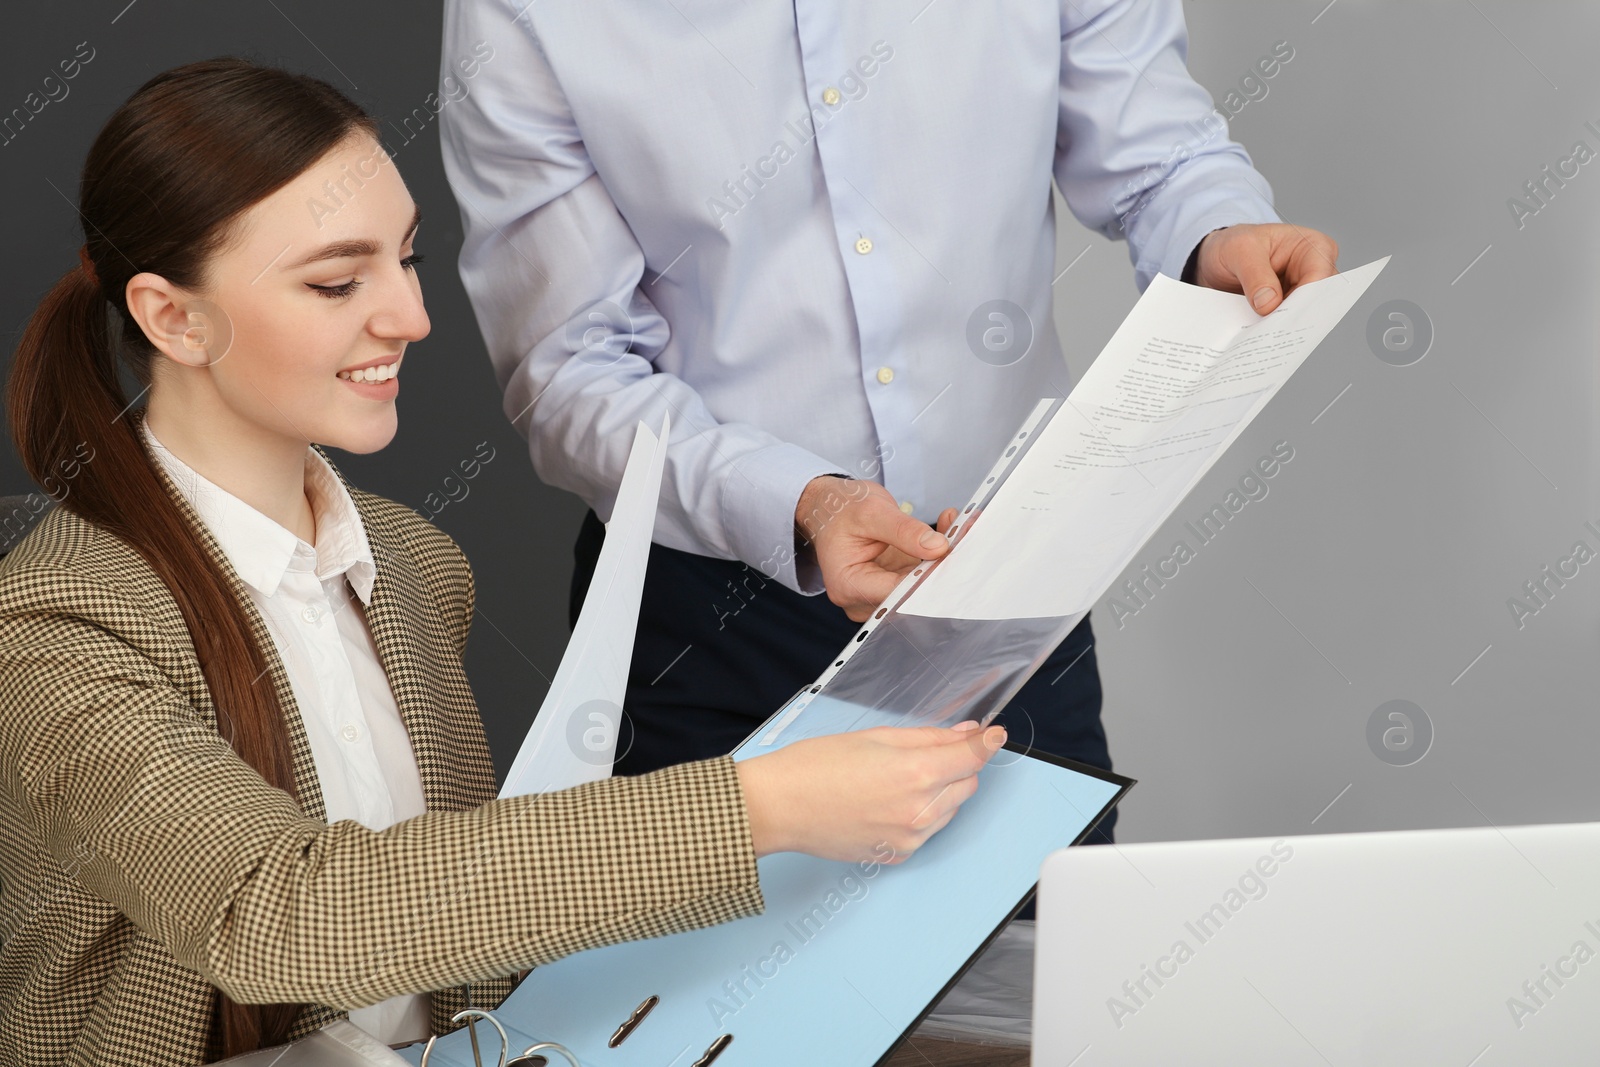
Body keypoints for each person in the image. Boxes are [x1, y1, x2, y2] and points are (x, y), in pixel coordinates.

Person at [0, 58, 1005, 1066]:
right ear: (174, 317)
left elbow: (453, 940)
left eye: (408, 259)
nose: (409, 317)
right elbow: (276, 911)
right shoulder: (52, 622)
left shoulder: (411, 562)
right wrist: (764, 807)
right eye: (337, 281)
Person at [437, 0, 1339, 847]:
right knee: (707, 1009)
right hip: (713, 610)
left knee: (1038, 990)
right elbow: (567, 365)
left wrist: (1215, 233)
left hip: (1003, 580)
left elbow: (1161, 156)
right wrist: (802, 504)